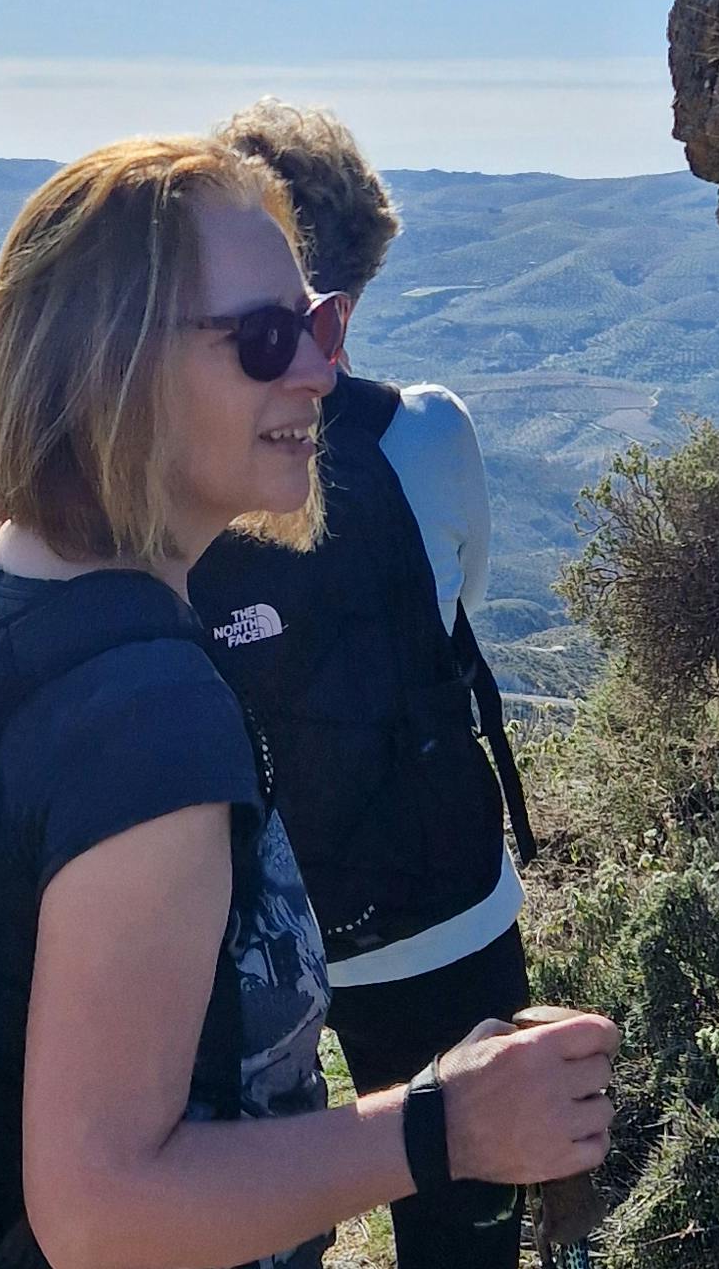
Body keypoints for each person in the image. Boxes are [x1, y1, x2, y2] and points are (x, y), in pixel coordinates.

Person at [0, 135, 616, 1269]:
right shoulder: (150, 724)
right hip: (437, 910)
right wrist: (443, 1123)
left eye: (322, 326)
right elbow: (104, 1201)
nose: (314, 369)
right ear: (111, 368)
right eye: (264, 338)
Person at [190, 100, 536, 1269]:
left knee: (263, 1219)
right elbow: (460, 606)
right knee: (463, 1217)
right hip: (444, 896)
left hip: (251, 926)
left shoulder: (161, 479)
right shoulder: (425, 433)